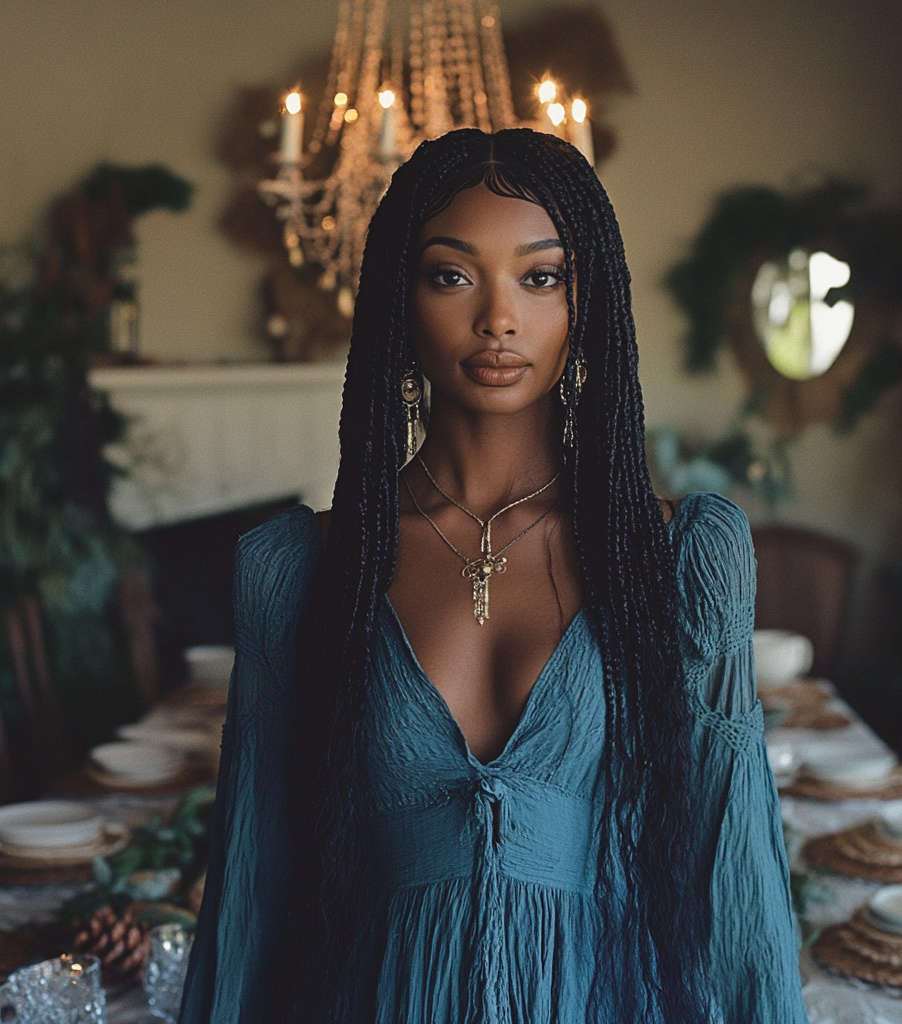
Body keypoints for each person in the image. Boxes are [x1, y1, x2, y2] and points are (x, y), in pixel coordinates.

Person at [179, 128, 807, 1024]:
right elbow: (254, 893)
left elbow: (736, 875)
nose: (498, 318)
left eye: (540, 277)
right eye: (452, 275)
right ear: (402, 298)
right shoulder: (305, 570)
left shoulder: (675, 561)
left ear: (585, 302)